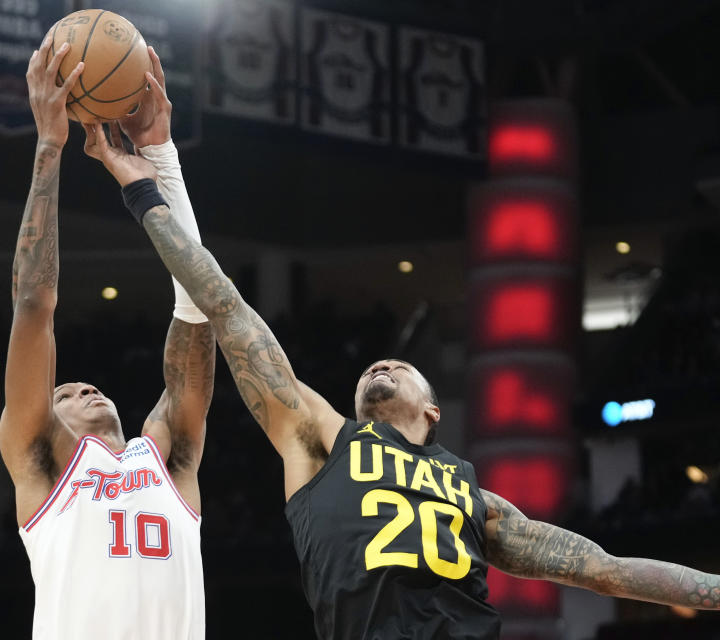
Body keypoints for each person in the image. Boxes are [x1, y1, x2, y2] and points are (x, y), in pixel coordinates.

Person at [82, 107, 720, 639]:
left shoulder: (477, 499)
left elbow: (603, 570)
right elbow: (222, 303)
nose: (380, 364)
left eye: (400, 366)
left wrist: (711, 590)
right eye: (373, 367)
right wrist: (146, 188)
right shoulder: (320, 440)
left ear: (433, 411)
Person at [0, 36, 213, 639]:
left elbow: (201, 303)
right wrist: (49, 147)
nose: (84, 386)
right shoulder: (42, 463)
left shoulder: (167, 457)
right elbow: (33, 305)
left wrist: (160, 155)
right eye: (64, 392)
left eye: (81, 387)